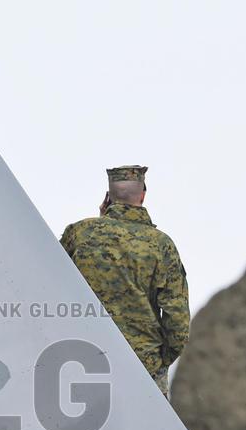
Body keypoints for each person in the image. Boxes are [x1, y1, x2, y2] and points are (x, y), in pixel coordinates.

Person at [60, 165, 189, 397]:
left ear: (108, 198)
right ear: (143, 195)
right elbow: (177, 322)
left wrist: (101, 222)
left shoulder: (79, 233)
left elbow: (51, 282)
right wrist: (158, 360)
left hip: (81, 359)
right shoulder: (161, 245)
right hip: (142, 365)